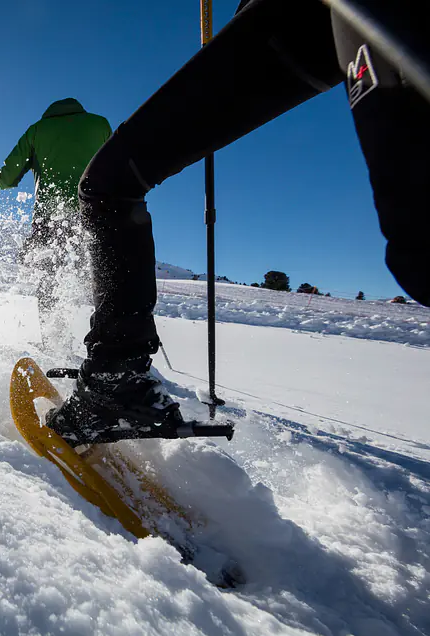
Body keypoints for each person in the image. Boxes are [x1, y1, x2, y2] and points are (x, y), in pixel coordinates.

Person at [46, 0, 430, 443]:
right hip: (287, 20)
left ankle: (115, 380)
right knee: (108, 183)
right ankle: (115, 379)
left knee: (418, 250)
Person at [0, 98, 112, 336]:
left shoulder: (37, 130)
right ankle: (109, 344)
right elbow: (118, 165)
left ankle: (53, 339)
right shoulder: (100, 125)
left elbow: (7, 178)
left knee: (49, 278)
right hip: (94, 212)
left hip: (50, 218)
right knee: (102, 275)